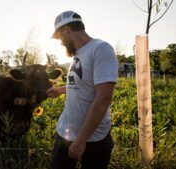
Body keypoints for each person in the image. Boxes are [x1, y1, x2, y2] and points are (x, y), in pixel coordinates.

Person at [46, 11, 118, 169]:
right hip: (65, 133)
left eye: (60, 38)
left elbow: (103, 98)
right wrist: (60, 90)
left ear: (66, 30)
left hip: (92, 140)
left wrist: (81, 140)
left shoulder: (101, 49)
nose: (61, 43)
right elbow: (81, 84)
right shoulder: (77, 55)